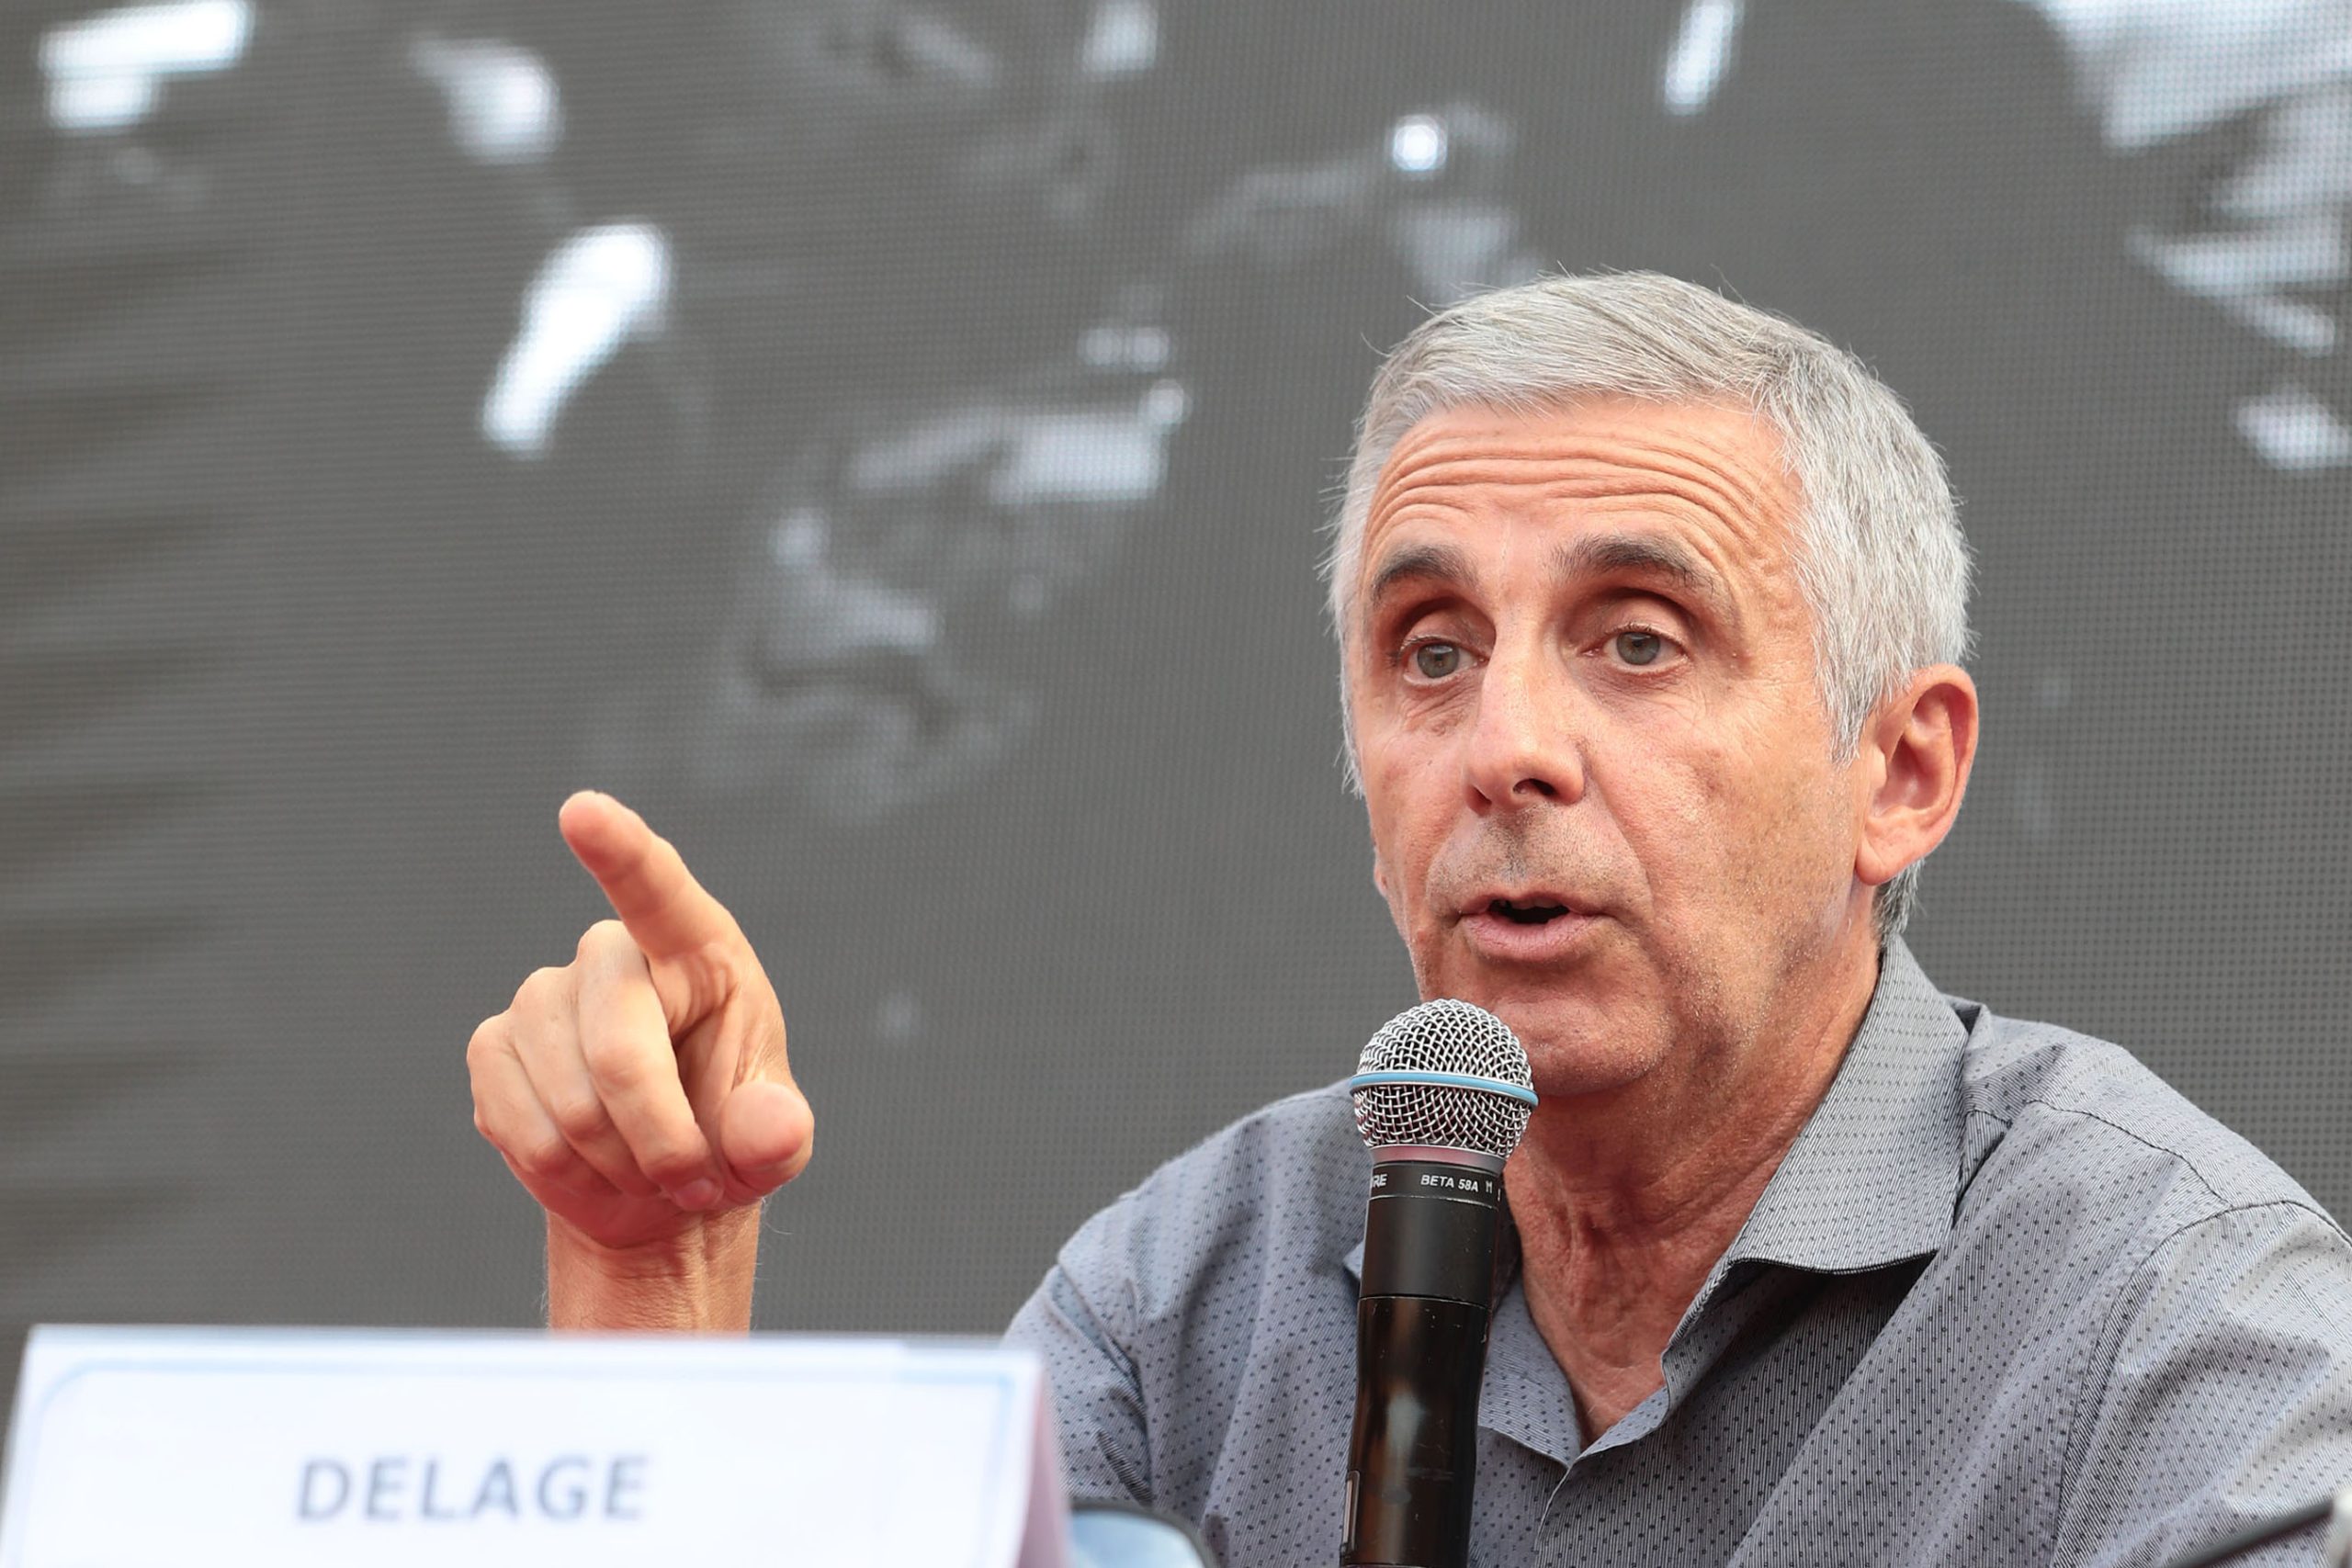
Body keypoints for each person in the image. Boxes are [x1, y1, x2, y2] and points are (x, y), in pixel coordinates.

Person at [465, 272, 2352, 1564]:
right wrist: (651, 1279)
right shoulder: (1190, 1297)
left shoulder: (2173, 1325)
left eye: (1637, 640)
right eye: (1431, 651)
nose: (1504, 746)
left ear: (1901, 770)